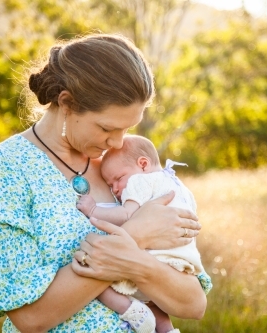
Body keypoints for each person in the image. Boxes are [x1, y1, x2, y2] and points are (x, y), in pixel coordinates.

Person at [0, 33, 212, 333]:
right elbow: (31, 318)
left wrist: (133, 262)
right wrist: (135, 234)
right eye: (107, 127)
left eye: (127, 128)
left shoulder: (123, 171)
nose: (118, 142)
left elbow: (192, 304)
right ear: (66, 103)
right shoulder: (0, 169)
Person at [77, 134, 204, 333]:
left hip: (156, 255)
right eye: (110, 185)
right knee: (155, 303)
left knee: (94, 281)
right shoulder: (178, 185)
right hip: (181, 263)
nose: (116, 189)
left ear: (143, 164)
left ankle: (131, 311)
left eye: (118, 179)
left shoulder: (140, 182)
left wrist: (93, 210)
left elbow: (126, 214)